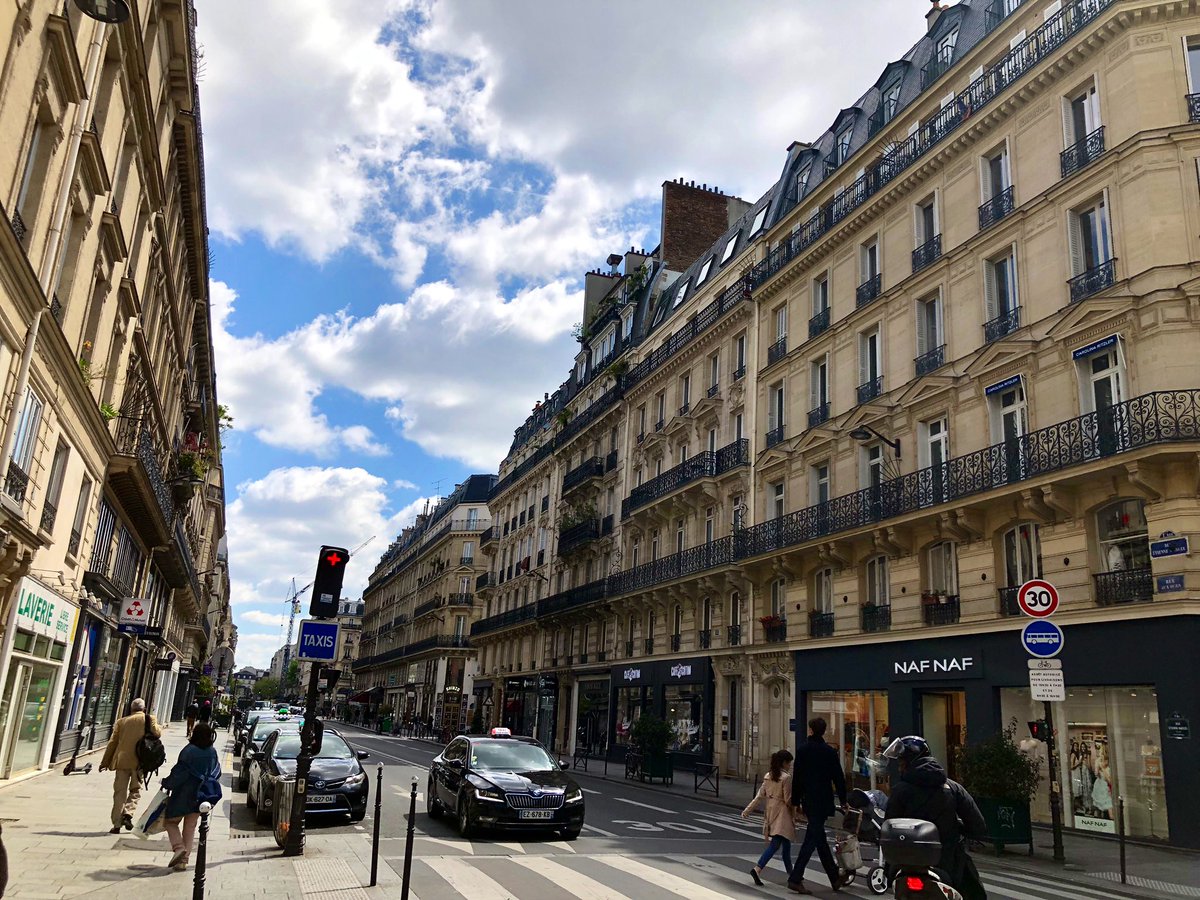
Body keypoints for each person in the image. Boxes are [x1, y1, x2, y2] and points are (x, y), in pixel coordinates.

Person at [883, 735, 988, 900]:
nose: (899, 767)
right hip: (948, 865)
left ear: (907, 762)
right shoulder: (953, 788)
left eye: (901, 762)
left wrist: (889, 867)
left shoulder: (899, 791)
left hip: (904, 865)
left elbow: (888, 826)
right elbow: (978, 826)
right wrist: (959, 828)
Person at [787, 717, 850, 895]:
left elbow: (797, 778)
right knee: (813, 838)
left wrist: (796, 801)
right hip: (823, 800)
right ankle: (796, 878)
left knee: (818, 838)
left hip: (809, 800)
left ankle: (833, 877)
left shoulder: (803, 750)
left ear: (811, 730)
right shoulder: (829, 752)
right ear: (824, 731)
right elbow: (838, 777)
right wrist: (843, 799)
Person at [161, 723, 221, 872]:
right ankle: (183, 861)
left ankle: (179, 847)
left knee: (170, 822)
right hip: (201, 794)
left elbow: (179, 772)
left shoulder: (189, 751)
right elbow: (216, 771)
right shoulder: (212, 751)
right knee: (190, 826)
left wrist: (167, 783)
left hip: (184, 793)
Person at [100, 698, 161, 834]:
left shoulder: (121, 722)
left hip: (122, 761)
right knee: (135, 790)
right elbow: (157, 733)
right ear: (144, 708)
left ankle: (116, 824)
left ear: (131, 708)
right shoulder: (149, 719)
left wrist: (105, 762)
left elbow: (112, 743)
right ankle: (128, 813)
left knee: (119, 793)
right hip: (140, 762)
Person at [742, 749, 796, 885]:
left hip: (772, 813)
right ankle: (758, 868)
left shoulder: (768, 776)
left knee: (786, 845)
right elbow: (788, 800)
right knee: (776, 844)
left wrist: (747, 810)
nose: (790, 766)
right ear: (784, 763)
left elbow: (759, 796)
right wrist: (800, 810)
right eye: (789, 763)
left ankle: (793, 875)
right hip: (783, 815)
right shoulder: (786, 778)